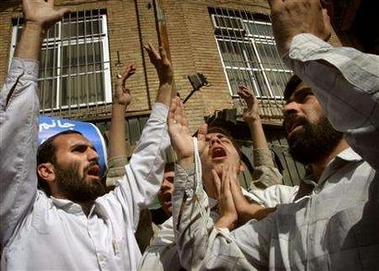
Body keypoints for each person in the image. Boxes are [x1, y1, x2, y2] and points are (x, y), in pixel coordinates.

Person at [168, 0, 379, 269]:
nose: (288, 108)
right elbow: (201, 259)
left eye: (304, 97)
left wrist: (303, 47)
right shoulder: (288, 215)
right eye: (287, 102)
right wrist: (187, 159)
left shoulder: (370, 173)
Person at [0, 1, 175, 270]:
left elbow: (147, 159)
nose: (93, 154)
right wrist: (34, 27)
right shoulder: (23, 215)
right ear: (46, 171)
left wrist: (165, 86)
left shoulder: (115, 210)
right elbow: (15, 128)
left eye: (91, 149)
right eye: (78, 150)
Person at [138, 86, 289, 270]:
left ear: (241, 164)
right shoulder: (173, 229)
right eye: (207, 142)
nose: (215, 141)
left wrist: (250, 210)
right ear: (198, 169)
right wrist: (225, 220)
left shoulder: (278, 197)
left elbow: (311, 221)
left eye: (222, 139)